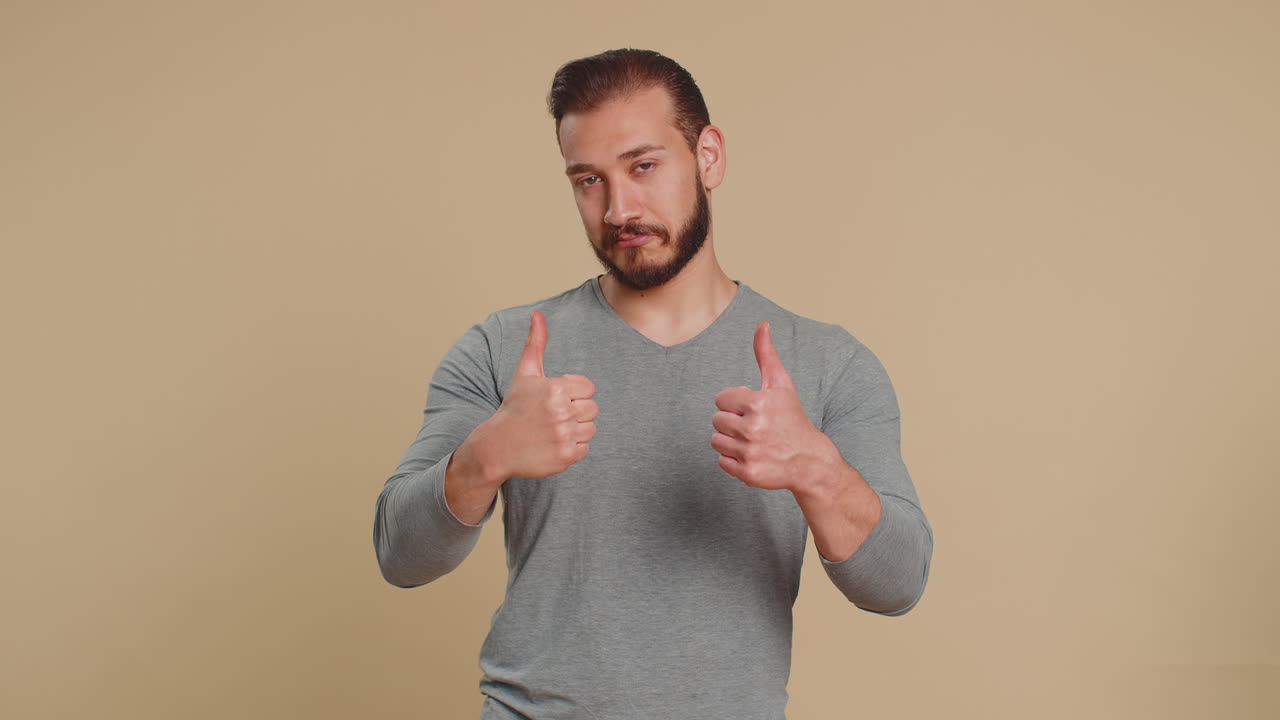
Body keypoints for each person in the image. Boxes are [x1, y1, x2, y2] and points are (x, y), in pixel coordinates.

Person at [373, 48, 933, 719]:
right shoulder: (504, 351)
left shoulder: (828, 364)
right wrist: (484, 458)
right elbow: (399, 555)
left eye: (643, 166)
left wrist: (816, 469)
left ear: (709, 157)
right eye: (588, 180)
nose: (618, 210)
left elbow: (898, 583)